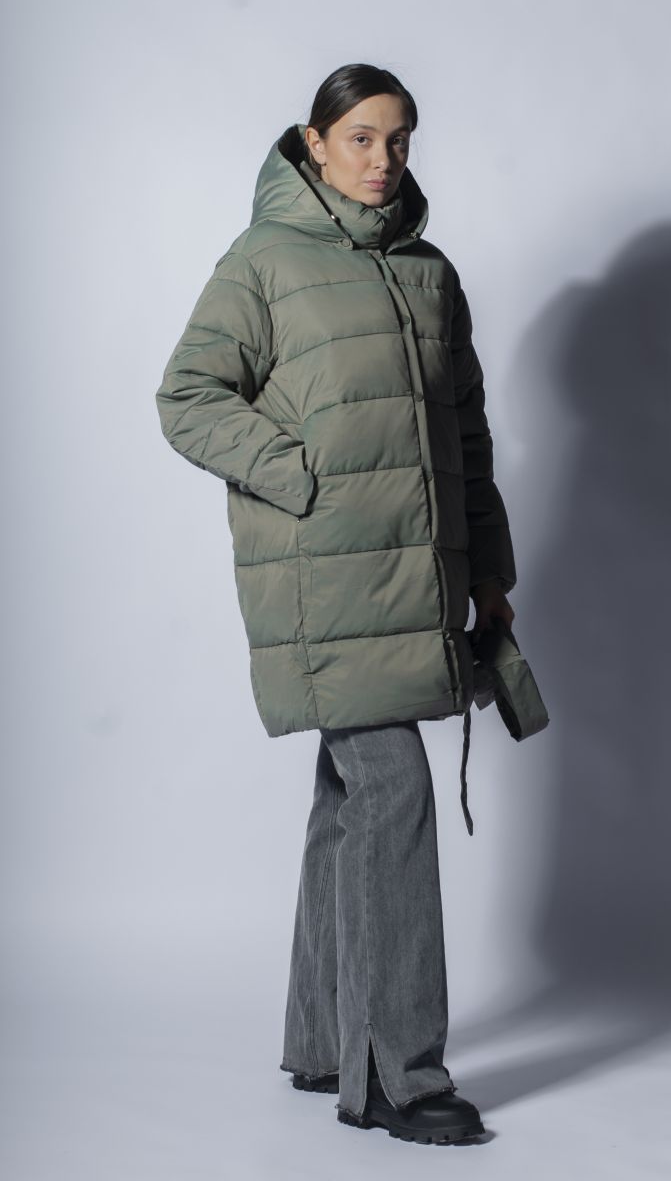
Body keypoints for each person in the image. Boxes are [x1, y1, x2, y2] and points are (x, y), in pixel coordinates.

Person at [155, 62, 517, 1145]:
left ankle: (325, 1043)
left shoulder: (430, 274)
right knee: (391, 789)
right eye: (360, 137)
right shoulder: (265, 261)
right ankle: (401, 1076)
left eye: (398, 139)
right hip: (325, 580)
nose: (382, 159)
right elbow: (187, 396)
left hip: (417, 582)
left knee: (350, 797)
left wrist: (490, 574)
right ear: (313, 143)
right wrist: (300, 474)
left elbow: (465, 436)